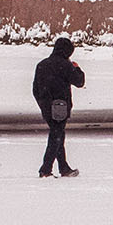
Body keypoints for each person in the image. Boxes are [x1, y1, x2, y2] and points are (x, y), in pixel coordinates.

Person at [31, 36, 86, 178]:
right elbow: (79, 82)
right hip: (60, 106)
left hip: (46, 106)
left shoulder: (42, 65)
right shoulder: (66, 65)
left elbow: (35, 89)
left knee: (58, 136)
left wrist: (43, 104)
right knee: (56, 136)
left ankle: (64, 167)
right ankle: (45, 169)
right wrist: (77, 68)